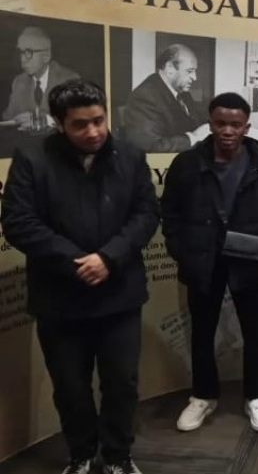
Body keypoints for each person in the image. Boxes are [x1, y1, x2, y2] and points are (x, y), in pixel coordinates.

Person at [0, 79, 160, 474]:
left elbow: (146, 215)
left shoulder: (130, 156)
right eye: (80, 124)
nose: (93, 132)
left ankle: (119, 457)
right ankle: (81, 455)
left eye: (99, 120)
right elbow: (19, 223)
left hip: (119, 293)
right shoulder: (32, 159)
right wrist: (77, 261)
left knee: (122, 384)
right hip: (60, 297)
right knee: (70, 386)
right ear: (58, 123)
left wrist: (108, 258)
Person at [160, 92, 258, 435]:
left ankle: (255, 397)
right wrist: (181, 250)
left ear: (246, 126)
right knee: (202, 332)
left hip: (249, 260)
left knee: (254, 332)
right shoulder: (187, 163)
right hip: (202, 261)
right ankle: (203, 396)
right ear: (210, 123)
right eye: (220, 123)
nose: (227, 131)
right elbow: (170, 213)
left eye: (235, 124)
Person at [123, 43, 209, 153]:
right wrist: (193, 137)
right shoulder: (144, 97)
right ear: (169, 68)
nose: (195, 77)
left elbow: (195, 121)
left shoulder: (182, 93)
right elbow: (152, 147)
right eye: (189, 71)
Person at [2, 26, 79, 127]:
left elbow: (77, 119)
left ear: (46, 56)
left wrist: (45, 120)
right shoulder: (19, 82)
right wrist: (16, 120)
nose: (23, 59)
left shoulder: (69, 80)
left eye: (28, 52)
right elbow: (8, 118)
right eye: (21, 52)